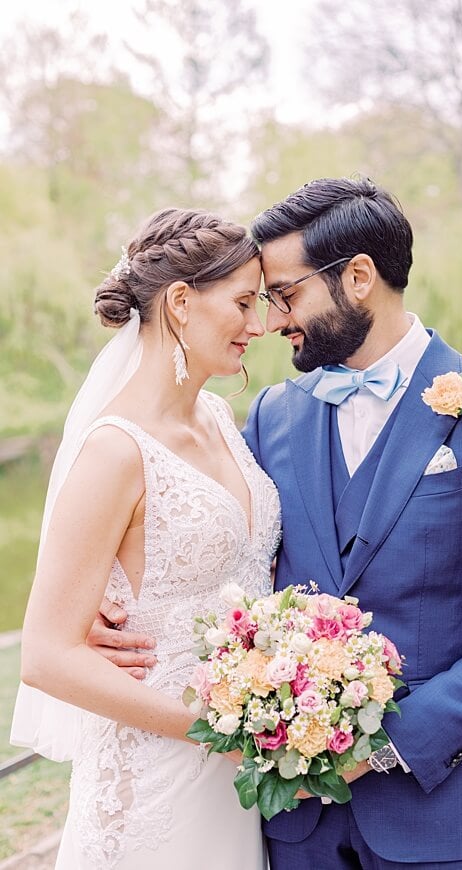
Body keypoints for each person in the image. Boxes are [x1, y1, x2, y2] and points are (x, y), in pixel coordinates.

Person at [89, 178, 462, 868]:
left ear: (358, 277)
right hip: (296, 824)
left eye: (286, 294)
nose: (271, 322)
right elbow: (220, 546)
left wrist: (381, 746)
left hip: (441, 813)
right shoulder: (271, 416)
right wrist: (111, 600)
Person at [13, 209, 280, 868]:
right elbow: (45, 655)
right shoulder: (114, 450)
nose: (260, 325)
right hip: (154, 782)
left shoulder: (219, 417)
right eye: (244, 303)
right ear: (181, 303)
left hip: (238, 781)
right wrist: (221, 734)